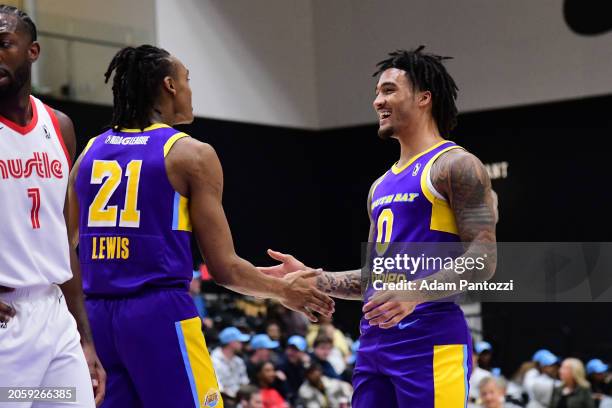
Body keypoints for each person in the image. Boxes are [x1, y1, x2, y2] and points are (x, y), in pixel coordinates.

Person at [68, 44, 334, 408]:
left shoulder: (88, 153)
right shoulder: (190, 154)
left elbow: (61, 247)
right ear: (170, 86)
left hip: (97, 317)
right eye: (187, 80)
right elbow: (223, 268)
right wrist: (283, 291)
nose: (190, 89)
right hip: (159, 314)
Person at [260, 46, 497, 407]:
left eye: (388, 90)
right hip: (374, 343)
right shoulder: (380, 185)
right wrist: (316, 279)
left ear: (423, 98)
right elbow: (377, 276)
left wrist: (413, 293)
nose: (377, 101)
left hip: (430, 338)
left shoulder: (457, 165)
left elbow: (483, 260)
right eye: (377, 93)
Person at [0, 5, 105, 407]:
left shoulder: (58, 125)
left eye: (4, 44)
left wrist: (84, 336)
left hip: (55, 315)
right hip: (6, 318)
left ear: (33, 51)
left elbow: (63, 238)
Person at [211, 327, 251, 399]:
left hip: (239, 398)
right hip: (221, 399)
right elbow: (217, 387)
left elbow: (244, 382)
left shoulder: (239, 361)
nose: (242, 345)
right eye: (239, 342)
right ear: (231, 343)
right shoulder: (213, 361)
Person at [278, 335, 309, 404]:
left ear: (303, 352)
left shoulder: (306, 365)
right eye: (290, 349)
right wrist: (284, 381)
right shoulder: (281, 365)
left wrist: (307, 366)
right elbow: (287, 393)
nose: (291, 353)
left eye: (296, 350)